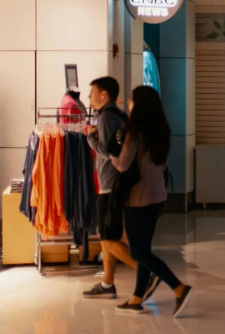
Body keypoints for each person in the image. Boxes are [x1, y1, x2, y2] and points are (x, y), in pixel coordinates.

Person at [108, 86, 193, 316]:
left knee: (137, 253)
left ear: (140, 104)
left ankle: (179, 287)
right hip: (157, 196)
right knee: (143, 248)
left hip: (138, 197)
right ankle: (136, 298)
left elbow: (123, 165)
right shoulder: (161, 130)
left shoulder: (133, 132)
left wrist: (110, 155)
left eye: (132, 100)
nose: (128, 102)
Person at [82, 77, 138, 300]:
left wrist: (90, 139)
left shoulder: (105, 118)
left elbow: (109, 153)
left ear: (104, 94)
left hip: (109, 184)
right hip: (117, 182)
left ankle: (147, 271)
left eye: (92, 92)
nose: (89, 96)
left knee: (106, 238)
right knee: (109, 235)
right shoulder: (119, 115)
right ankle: (107, 283)